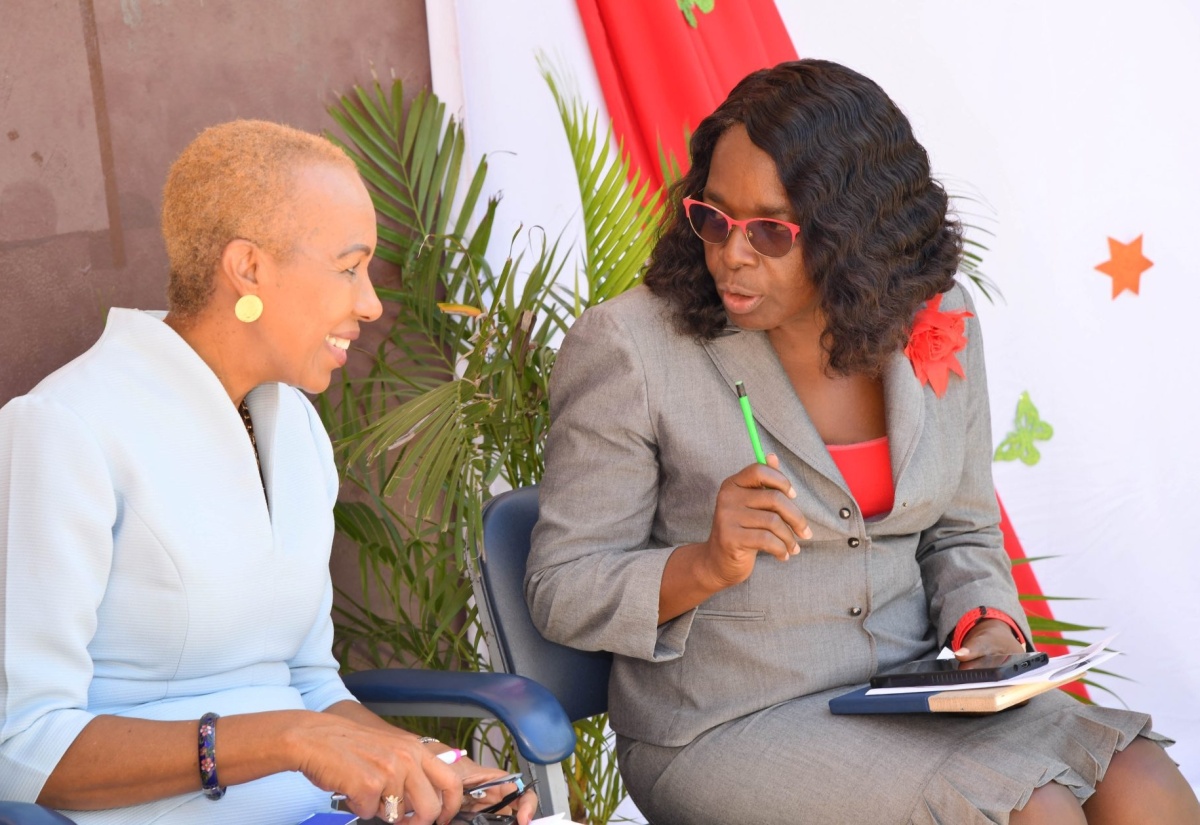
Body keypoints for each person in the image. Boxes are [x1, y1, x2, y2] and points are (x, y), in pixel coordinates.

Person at [525, 60, 1200, 825]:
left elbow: (963, 527)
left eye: (770, 230)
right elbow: (563, 586)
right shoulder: (631, 345)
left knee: (1144, 782)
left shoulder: (937, 314)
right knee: (1033, 811)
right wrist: (704, 563)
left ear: (853, 235)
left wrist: (985, 622)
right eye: (713, 217)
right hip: (726, 723)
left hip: (911, 696)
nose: (732, 253)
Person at [0, 120, 536, 825]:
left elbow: (310, 681)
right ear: (248, 268)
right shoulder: (65, 427)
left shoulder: (294, 426)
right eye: (349, 267)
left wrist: (435, 766)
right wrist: (286, 739)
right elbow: (24, 747)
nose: (371, 302)